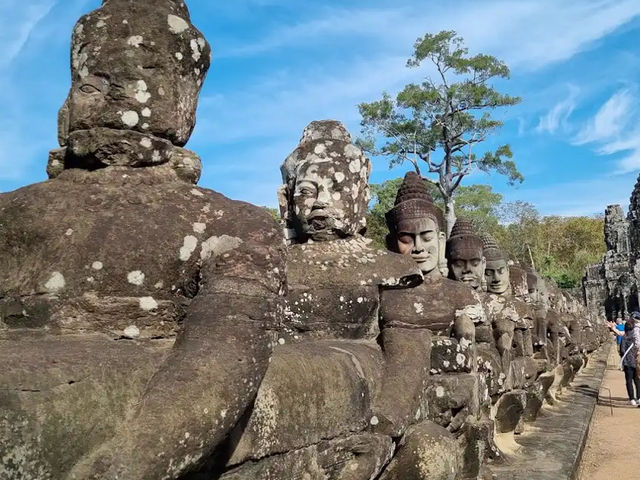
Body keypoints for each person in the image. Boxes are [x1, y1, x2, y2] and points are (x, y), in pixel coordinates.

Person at [620, 321, 640, 405]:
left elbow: (622, 350)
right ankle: (639, 397)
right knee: (637, 380)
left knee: (629, 381)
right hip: (636, 361)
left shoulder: (625, 337)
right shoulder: (636, 337)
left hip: (627, 362)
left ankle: (632, 398)